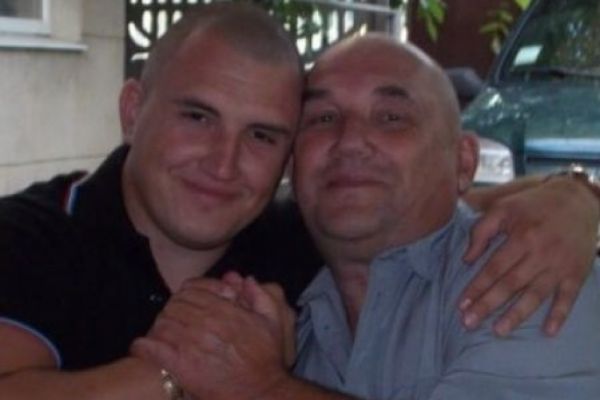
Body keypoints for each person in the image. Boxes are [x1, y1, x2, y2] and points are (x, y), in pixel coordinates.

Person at [0, 3, 598, 399]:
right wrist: (177, 372)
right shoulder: (32, 237)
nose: (224, 163)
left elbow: (427, 202)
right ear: (133, 111)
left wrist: (574, 195)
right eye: (197, 117)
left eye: (262, 135)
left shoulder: (517, 274)